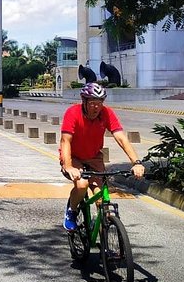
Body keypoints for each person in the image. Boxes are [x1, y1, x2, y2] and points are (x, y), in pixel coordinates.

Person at [60, 82, 144, 231]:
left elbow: (121, 138)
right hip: (74, 157)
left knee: (101, 200)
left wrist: (136, 162)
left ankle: (106, 240)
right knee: (82, 185)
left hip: (94, 157)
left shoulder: (106, 113)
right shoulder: (72, 112)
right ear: (84, 101)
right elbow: (65, 141)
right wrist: (68, 166)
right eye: (92, 103)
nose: (96, 107)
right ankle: (72, 211)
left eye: (99, 103)